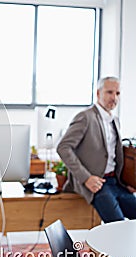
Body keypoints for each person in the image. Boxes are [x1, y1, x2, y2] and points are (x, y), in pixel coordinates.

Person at [57, 76, 136, 223]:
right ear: (98, 94)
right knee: (117, 226)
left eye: (117, 93)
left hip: (116, 183)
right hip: (97, 184)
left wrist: (127, 182)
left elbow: (115, 156)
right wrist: (86, 178)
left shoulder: (115, 120)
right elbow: (63, 147)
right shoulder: (85, 117)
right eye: (109, 92)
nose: (114, 98)